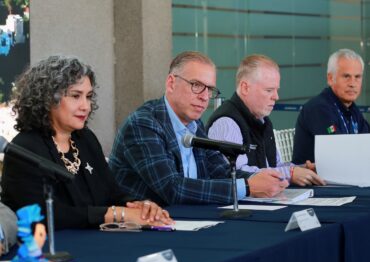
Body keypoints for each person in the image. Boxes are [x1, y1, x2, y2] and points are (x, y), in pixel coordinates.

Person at [1, 55, 173, 230]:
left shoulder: (85, 139)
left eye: (89, 96)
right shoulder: (25, 148)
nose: (86, 106)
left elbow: (113, 193)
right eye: (76, 96)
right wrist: (115, 214)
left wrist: (139, 206)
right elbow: (41, 215)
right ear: (48, 99)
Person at [109, 51, 289, 206]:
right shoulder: (144, 124)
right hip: (141, 230)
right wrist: (248, 187)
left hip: (188, 221)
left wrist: (258, 179)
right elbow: (173, 188)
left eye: (209, 89)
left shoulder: (195, 124)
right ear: (171, 83)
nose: (204, 97)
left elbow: (219, 170)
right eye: (196, 85)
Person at [207, 54, 325, 187]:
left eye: (276, 90)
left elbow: (274, 165)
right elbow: (236, 173)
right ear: (245, 88)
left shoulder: (263, 120)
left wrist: (302, 170)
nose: (276, 97)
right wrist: (290, 173)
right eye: (269, 90)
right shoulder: (227, 122)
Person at [292, 49, 370, 164]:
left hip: (344, 174)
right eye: (346, 76)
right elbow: (338, 152)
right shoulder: (318, 108)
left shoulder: (351, 108)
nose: (353, 83)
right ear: (330, 78)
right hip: (314, 179)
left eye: (357, 77)